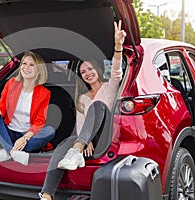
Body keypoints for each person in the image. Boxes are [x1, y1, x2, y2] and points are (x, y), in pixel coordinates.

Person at [39, 20, 126, 200]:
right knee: (65, 142)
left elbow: (117, 69)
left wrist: (118, 46)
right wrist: (85, 141)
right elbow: (81, 125)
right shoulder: (82, 97)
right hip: (86, 140)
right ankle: (46, 195)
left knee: (98, 105)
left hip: (105, 136)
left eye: (90, 68)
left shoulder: (109, 87)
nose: (87, 73)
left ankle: (75, 151)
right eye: (83, 71)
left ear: (97, 68)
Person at [0, 51, 55, 166]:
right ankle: (12, 152)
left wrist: (25, 138)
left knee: (50, 131)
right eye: (24, 63)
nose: (26, 67)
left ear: (39, 71)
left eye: (32, 65)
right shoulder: (11, 84)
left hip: (28, 135)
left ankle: (6, 152)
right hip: (8, 133)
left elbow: (39, 122)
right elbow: (1, 109)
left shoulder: (44, 93)